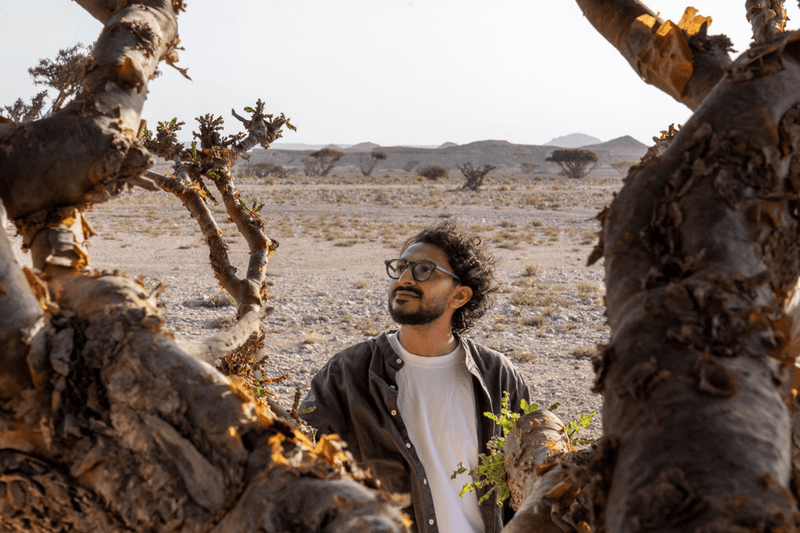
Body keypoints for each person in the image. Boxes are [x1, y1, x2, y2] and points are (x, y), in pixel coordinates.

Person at [300, 222, 531, 533]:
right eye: (401, 267)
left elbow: (527, 483)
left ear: (459, 295)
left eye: (424, 270)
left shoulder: (498, 378)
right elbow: (299, 466)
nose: (405, 279)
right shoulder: (348, 373)